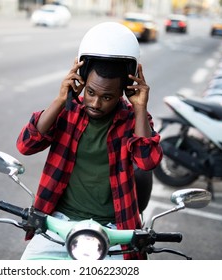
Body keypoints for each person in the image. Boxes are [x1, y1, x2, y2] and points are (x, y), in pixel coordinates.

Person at [16, 22, 163, 260]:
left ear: (123, 91)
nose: (95, 103)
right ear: (82, 79)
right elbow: (26, 145)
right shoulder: (67, 111)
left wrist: (139, 108)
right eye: (91, 93)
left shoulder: (131, 120)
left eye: (107, 97)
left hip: (114, 230)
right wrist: (60, 98)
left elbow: (147, 162)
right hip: (58, 224)